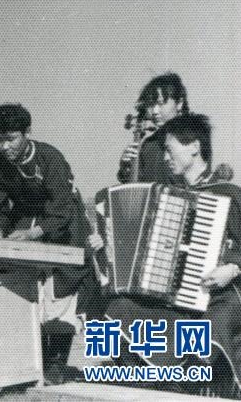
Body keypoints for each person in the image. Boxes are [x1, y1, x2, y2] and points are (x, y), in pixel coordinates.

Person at [92, 114, 241, 398]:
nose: (165, 158)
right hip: (175, 298)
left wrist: (232, 268)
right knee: (119, 308)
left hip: (223, 293)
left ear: (194, 147)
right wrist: (108, 243)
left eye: (170, 150)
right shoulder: (168, 195)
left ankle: (191, 385)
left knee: (213, 321)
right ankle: (157, 383)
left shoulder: (229, 194)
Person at [0, 104, 94, 385]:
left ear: (27, 132)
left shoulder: (50, 158)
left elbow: (62, 208)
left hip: (64, 224)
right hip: (25, 222)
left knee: (60, 291)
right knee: (22, 287)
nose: (5, 146)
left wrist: (33, 234)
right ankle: (30, 361)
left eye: (11, 139)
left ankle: (55, 364)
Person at [117, 73, 189, 184]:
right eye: (151, 105)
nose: (155, 111)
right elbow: (135, 188)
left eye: (160, 103)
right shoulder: (148, 145)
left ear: (179, 103)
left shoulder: (193, 138)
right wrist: (126, 168)